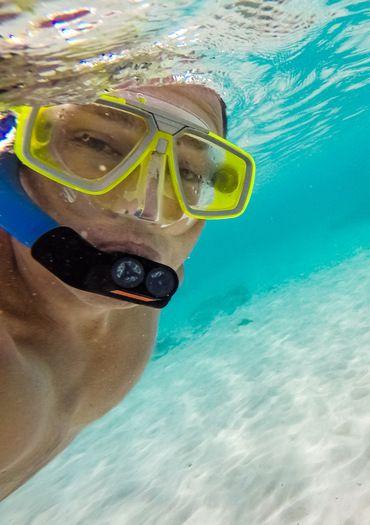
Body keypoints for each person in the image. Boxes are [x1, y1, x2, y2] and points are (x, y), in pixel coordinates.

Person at [0, 83, 255, 500]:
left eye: (188, 173)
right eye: (99, 143)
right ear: (12, 160)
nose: (147, 207)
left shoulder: (152, 266)